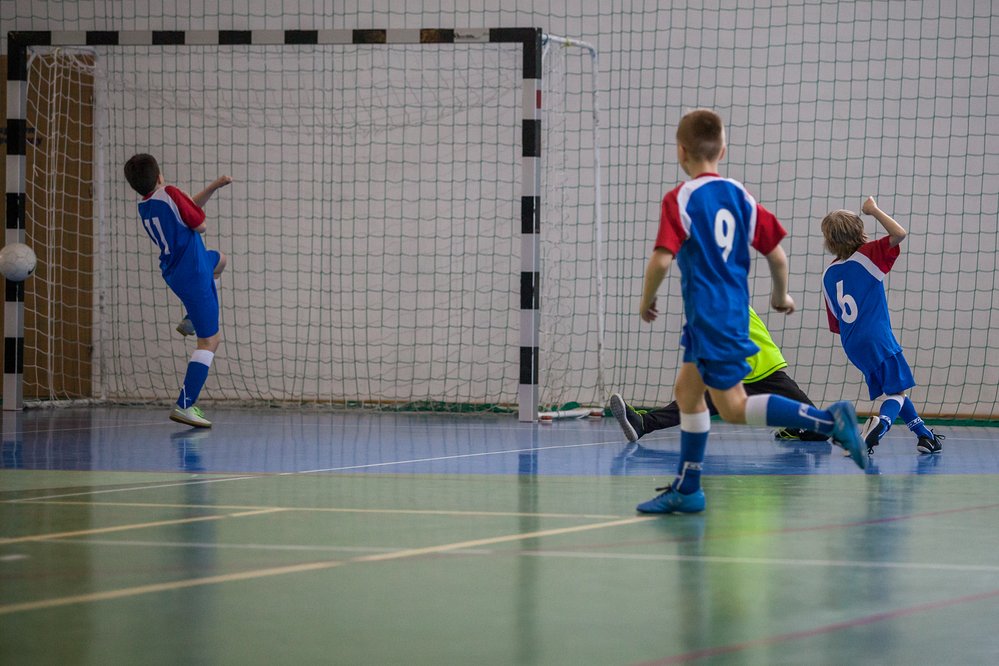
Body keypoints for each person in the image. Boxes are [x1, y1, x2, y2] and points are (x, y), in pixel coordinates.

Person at [633, 108, 866, 515]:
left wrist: (646, 299)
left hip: (711, 316)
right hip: (723, 315)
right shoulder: (740, 196)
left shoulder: (681, 198)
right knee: (688, 393)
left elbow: (661, 260)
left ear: (681, 151)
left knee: (733, 407)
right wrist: (781, 296)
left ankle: (829, 421)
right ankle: (688, 488)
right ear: (723, 150)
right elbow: (777, 255)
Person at [820, 197, 943, 455]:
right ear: (859, 231)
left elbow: (836, 323)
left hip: (851, 343)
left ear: (829, 242)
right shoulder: (868, 255)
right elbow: (899, 233)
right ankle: (880, 426)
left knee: (894, 389)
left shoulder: (828, 274)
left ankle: (925, 436)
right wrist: (873, 210)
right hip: (877, 337)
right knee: (896, 393)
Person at [124, 154, 232, 428]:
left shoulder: (146, 205)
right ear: (159, 175)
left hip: (177, 270)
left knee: (220, 260)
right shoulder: (170, 192)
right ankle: (185, 405)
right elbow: (199, 224)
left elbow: (186, 210)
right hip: (194, 272)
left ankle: (191, 318)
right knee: (210, 341)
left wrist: (214, 186)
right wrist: (184, 198)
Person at [610, 306, 827, 443]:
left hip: (758, 370)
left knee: (820, 429)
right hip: (754, 370)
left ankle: (795, 427)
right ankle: (643, 423)